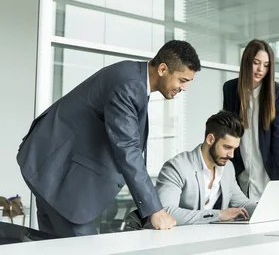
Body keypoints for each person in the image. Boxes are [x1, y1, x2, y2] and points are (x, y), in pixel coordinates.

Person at [17, 40, 201, 237]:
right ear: (163, 69)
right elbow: (127, 149)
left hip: (50, 166)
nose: (184, 88)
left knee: (55, 246)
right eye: (182, 80)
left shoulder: (135, 80)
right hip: (53, 169)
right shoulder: (128, 84)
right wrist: (155, 210)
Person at [223, 39, 279, 215]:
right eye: (256, 63)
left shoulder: (276, 93)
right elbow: (227, 134)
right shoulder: (231, 89)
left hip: (270, 180)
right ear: (247, 61)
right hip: (241, 180)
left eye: (266, 65)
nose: (260, 69)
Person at [155, 111, 256, 225]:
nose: (231, 155)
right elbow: (165, 212)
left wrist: (265, 209)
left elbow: (242, 204)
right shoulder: (176, 167)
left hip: (209, 238)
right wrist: (218, 215)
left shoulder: (227, 168)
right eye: (227, 147)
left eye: (234, 149)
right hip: (174, 239)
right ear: (210, 139)